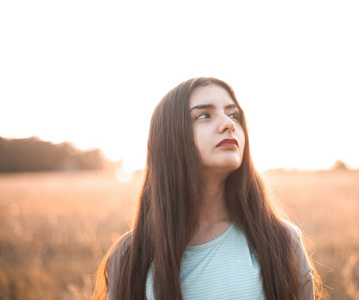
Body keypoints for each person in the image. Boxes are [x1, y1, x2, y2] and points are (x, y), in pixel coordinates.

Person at [92, 77, 321, 300]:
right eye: (204, 115)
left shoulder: (281, 240)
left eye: (234, 115)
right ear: (170, 138)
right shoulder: (130, 255)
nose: (229, 124)